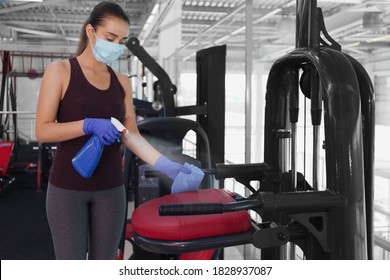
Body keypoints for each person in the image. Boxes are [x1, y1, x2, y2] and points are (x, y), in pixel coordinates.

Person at [35, 1, 200, 260]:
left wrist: (166, 165)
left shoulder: (122, 81)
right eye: (110, 37)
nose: (115, 46)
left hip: (111, 190)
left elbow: (130, 134)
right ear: (90, 31)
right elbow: (43, 131)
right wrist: (87, 124)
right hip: (67, 190)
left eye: (121, 41)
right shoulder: (61, 71)